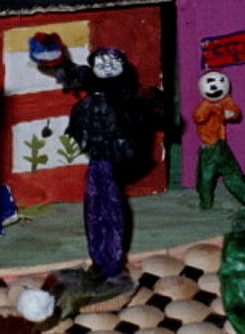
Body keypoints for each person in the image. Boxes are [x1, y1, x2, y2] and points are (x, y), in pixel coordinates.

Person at [32, 38, 154, 285]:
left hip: (110, 160)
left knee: (109, 210)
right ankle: (101, 261)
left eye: (113, 63)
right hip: (97, 160)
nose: (107, 67)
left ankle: (111, 264)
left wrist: (151, 99)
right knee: (95, 210)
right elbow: (67, 70)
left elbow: (145, 100)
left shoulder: (125, 92)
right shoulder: (89, 80)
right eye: (101, 63)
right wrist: (53, 57)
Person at [190, 70, 245, 210]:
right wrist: (212, 109)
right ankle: (206, 203)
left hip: (221, 145)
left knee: (231, 173)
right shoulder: (205, 105)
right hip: (208, 147)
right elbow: (198, 117)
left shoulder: (225, 101)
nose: (215, 89)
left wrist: (230, 113)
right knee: (205, 178)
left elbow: (235, 112)